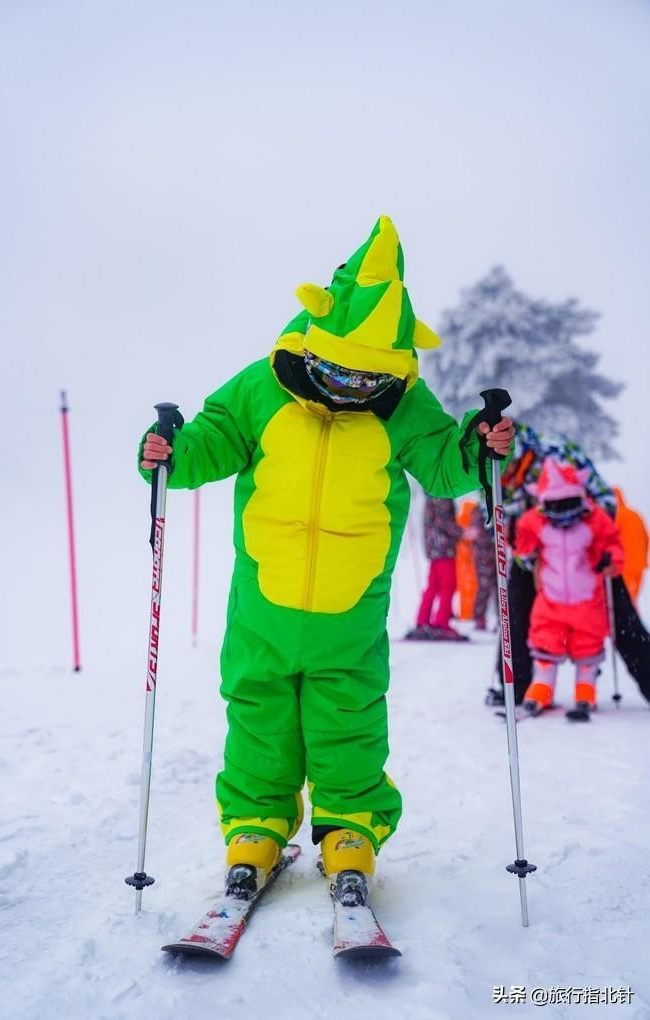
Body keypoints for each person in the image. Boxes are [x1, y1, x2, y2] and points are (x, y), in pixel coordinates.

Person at [139, 216, 514, 903]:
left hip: (351, 610)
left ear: (393, 371)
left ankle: (351, 825)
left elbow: (443, 461)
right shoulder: (261, 387)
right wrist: (173, 452)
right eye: (337, 371)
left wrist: (480, 448)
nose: (348, 389)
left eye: (366, 380)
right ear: (314, 342)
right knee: (259, 713)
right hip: (265, 605)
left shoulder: (402, 406)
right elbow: (212, 439)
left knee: (349, 718)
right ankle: (256, 819)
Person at [487, 423, 650, 708]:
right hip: (533, 552)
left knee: (620, 615)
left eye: (511, 470)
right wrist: (520, 548)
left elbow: (603, 496)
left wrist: (597, 544)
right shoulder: (489, 465)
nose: (508, 478)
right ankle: (517, 688)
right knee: (515, 612)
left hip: (584, 549)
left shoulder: (556, 451)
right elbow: (491, 516)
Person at [514, 458, 624, 716]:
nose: (562, 513)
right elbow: (523, 542)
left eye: (568, 503)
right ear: (543, 504)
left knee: (588, 644)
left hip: (587, 598)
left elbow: (612, 542)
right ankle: (541, 689)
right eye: (555, 505)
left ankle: (586, 692)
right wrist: (521, 548)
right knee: (544, 642)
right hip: (550, 598)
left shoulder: (594, 519)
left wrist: (611, 559)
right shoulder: (535, 521)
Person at [406, 496, 468, 641]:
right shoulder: (441, 492)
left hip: (434, 547)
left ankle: (423, 621)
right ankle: (441, 623)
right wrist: (463, 533)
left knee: (433, 586)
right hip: (443, 547)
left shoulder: (431, 493)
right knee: (448, 586)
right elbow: (443, 521)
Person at [613, 486, 649, 604]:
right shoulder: (635, 515)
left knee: (624, 604)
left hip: (624, 566)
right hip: (639, 565)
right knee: (631, 601)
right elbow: (646, 537)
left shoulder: (616, 516)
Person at [470, 502, 496, 630]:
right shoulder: (479, 509)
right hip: (483, 556)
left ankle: (501, 619)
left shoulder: (497, 504)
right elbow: (477, 533)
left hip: (495, 554)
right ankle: (479, 618)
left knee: (499, 587)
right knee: (484, 588)